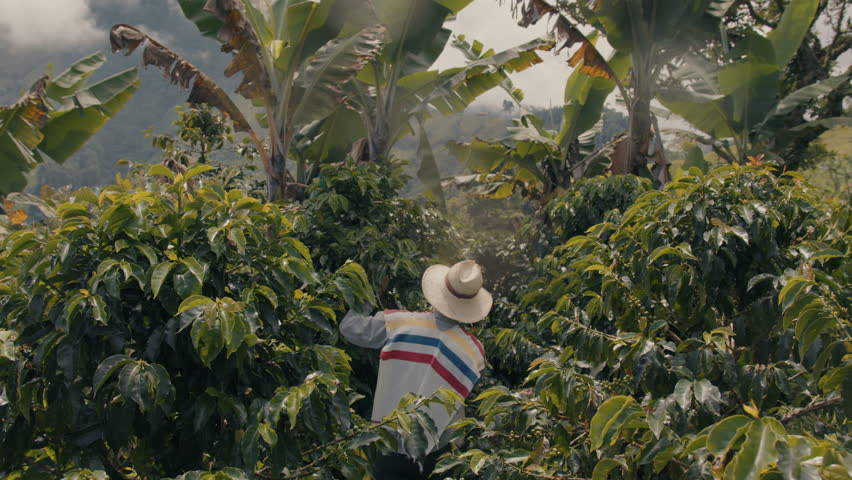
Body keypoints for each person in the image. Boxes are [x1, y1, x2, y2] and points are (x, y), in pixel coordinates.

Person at [340, 260, 492, 479]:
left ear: (439, 292)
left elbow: (350, 328)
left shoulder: (400, 323)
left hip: (390, 441)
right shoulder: (473, 352)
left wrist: (370, 294)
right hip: (438, 450)